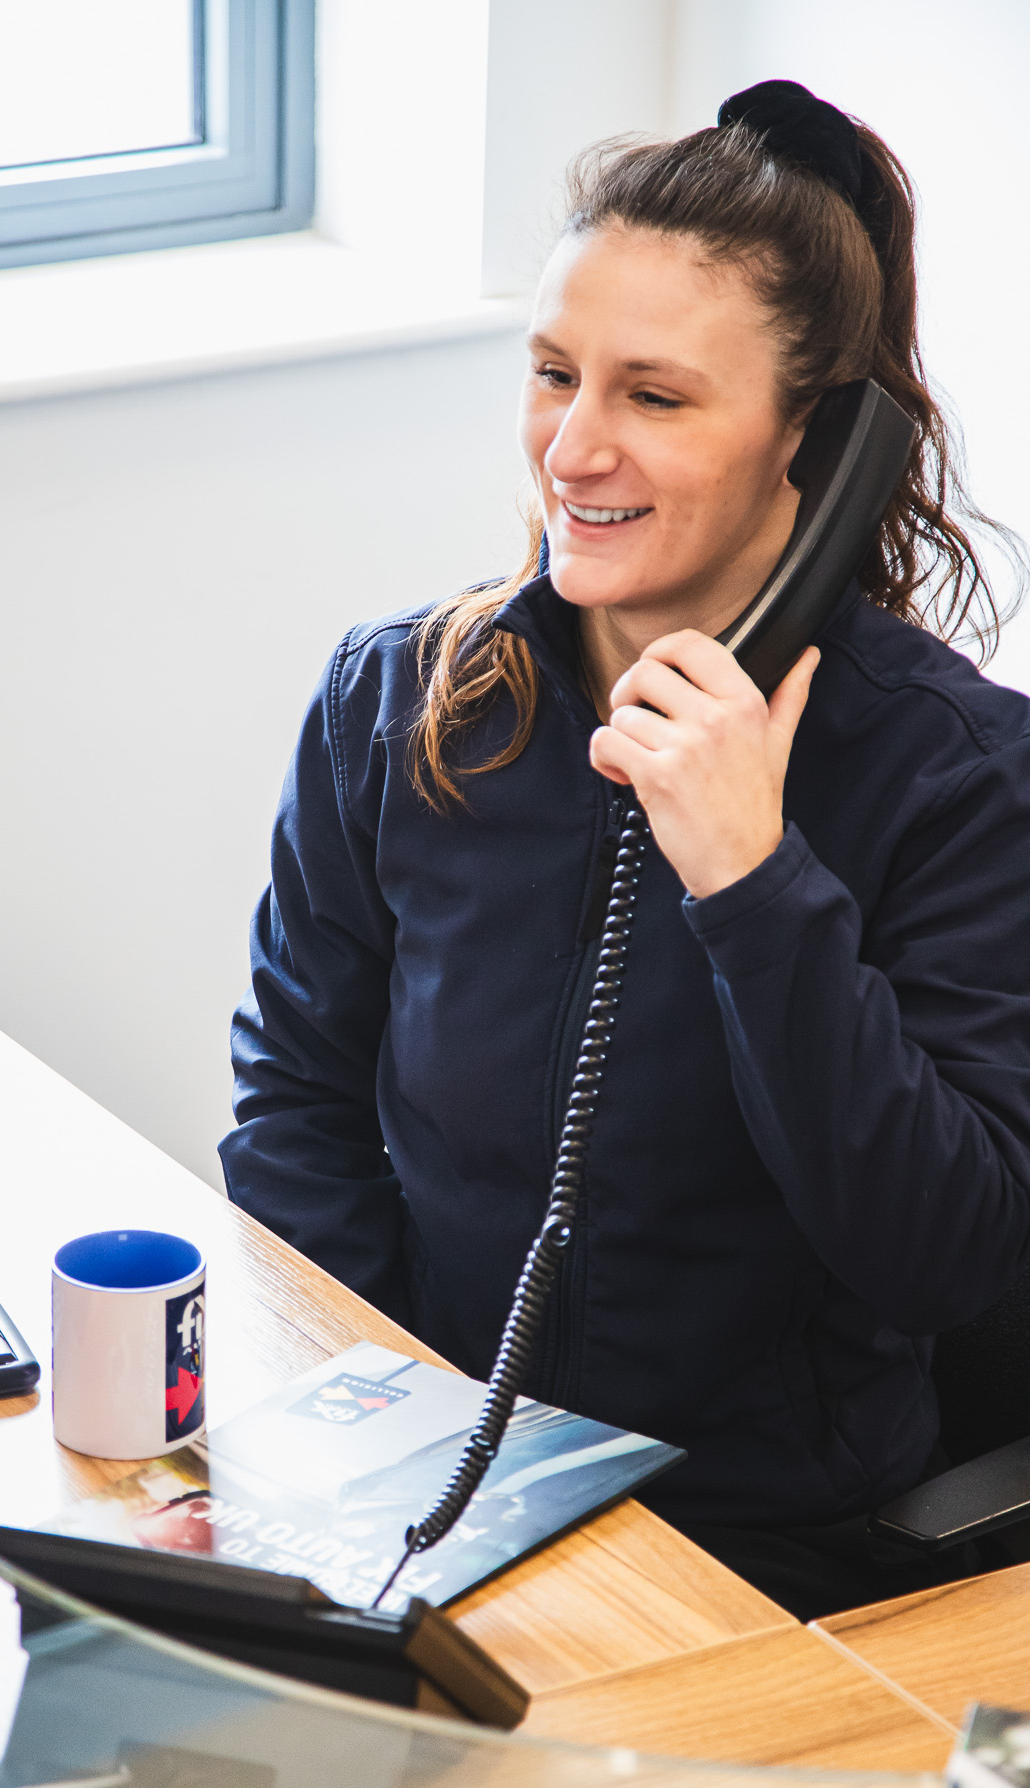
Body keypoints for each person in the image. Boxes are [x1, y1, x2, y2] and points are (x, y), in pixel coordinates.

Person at [218, 80, 1030, 1621]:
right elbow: (296, 1110)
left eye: (653, 398)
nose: (571, 450)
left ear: (821, 440)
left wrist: (750, 879)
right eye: (549, 375)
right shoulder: (397, 700)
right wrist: (394, 1434)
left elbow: (949, 1259)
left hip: (768, 1557)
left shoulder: (960, 778)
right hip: (428, 1491)